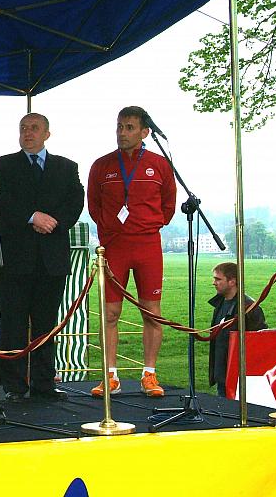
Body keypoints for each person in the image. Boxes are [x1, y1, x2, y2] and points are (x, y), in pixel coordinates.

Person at [0, 113, 84, 403]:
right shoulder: (2, 165)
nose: (27, 133)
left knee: (46, 324)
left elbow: (75, 202)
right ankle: (14, 386)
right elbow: (1, 202)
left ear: (47, 134)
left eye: (34, 128)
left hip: (51, 259)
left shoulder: (66, 167)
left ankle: (44, 383)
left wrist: (54, 222)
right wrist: (32, 217)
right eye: (23, 128)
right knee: (13, 324)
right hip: (15, 259)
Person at [87, 105, 177, 397]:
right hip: (114, 246)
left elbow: (168, 204)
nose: (122, 133)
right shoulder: (101, 165)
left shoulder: (160, 164)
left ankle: (149, 374)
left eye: (129, 128)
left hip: (148, 246)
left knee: (152, 312)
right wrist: (110, 228)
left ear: (144, 132)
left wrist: (149, 224)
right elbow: (94, 204)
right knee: (110, 313)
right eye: (119, 127)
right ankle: (110, 375)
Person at [209, 262, 266, 397]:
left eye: (218, 279)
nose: (214, 283)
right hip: (222, 375)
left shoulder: (249, 307)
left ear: (232, 282)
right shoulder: (220, 303)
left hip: (240, 378)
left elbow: (260, 341)